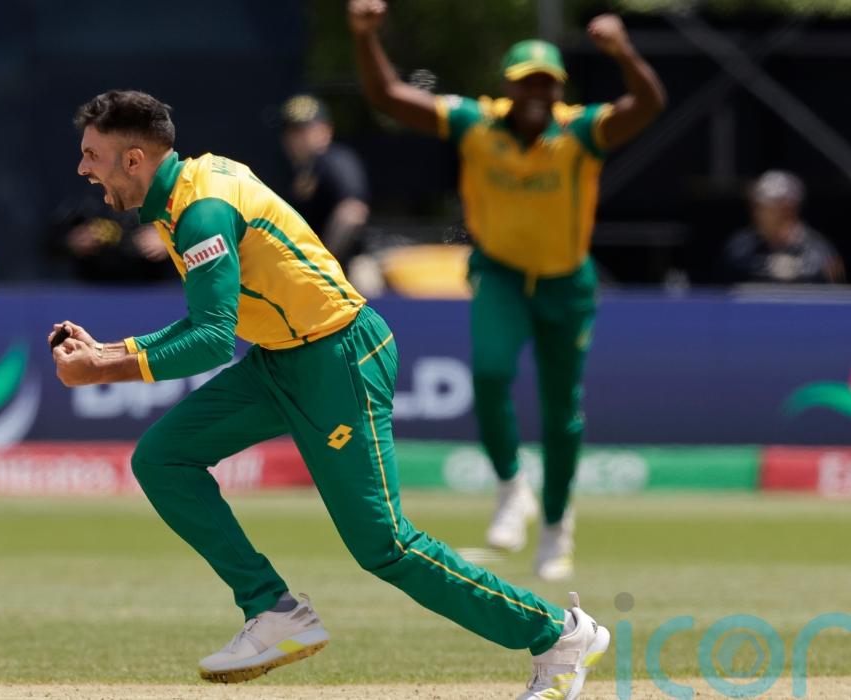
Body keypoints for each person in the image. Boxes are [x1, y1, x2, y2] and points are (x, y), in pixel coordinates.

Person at [50, 89, 609, 700]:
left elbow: (212, 340)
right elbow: (212, 319)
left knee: (386, 546)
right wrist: (109, 351)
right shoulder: (188, 189)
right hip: (284, 358)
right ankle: (274, 612)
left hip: (338, 357)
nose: (82, 168)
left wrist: (106, 370)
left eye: (92, 154)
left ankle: (558, 634)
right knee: (163, 458)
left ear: (134, 159)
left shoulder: (201, 210)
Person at [350, 0, 665, 580]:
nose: (537, 93)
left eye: (547, 83)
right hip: (500, 274)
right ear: (508, 87)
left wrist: (623, 51)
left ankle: (556, 528)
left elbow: (648, 105)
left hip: (565, 285)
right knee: (491, 373)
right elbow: (389, 97)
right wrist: (366, 35)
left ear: (559, 89)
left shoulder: (580, 131)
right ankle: (511, 489)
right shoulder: (475, 123)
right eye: (526, 83)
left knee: (562, 412)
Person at [279, 94, 371, 270]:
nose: (297, 137)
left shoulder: (336, 160)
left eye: (305, 129)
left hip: (350, 267)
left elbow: (352, 212)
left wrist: (323, 263)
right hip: (314, 271)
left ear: (326, 130)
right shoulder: (297, 171)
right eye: (292, 130)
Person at [722, 170, 843, 285]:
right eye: (756, 206)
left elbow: (830, 285)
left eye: (767, 207)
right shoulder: (741, 247)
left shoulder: (817, 249)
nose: (757, 212)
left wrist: (794, 272)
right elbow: (725, 286)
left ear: (790, 208)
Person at [44, 192, 176, 284]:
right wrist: (72, 242)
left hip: (153, 291)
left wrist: (169, 242)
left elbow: (187, 235)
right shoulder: (86, 201)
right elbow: (49, 244)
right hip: (92, 292)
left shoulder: (163, 197)